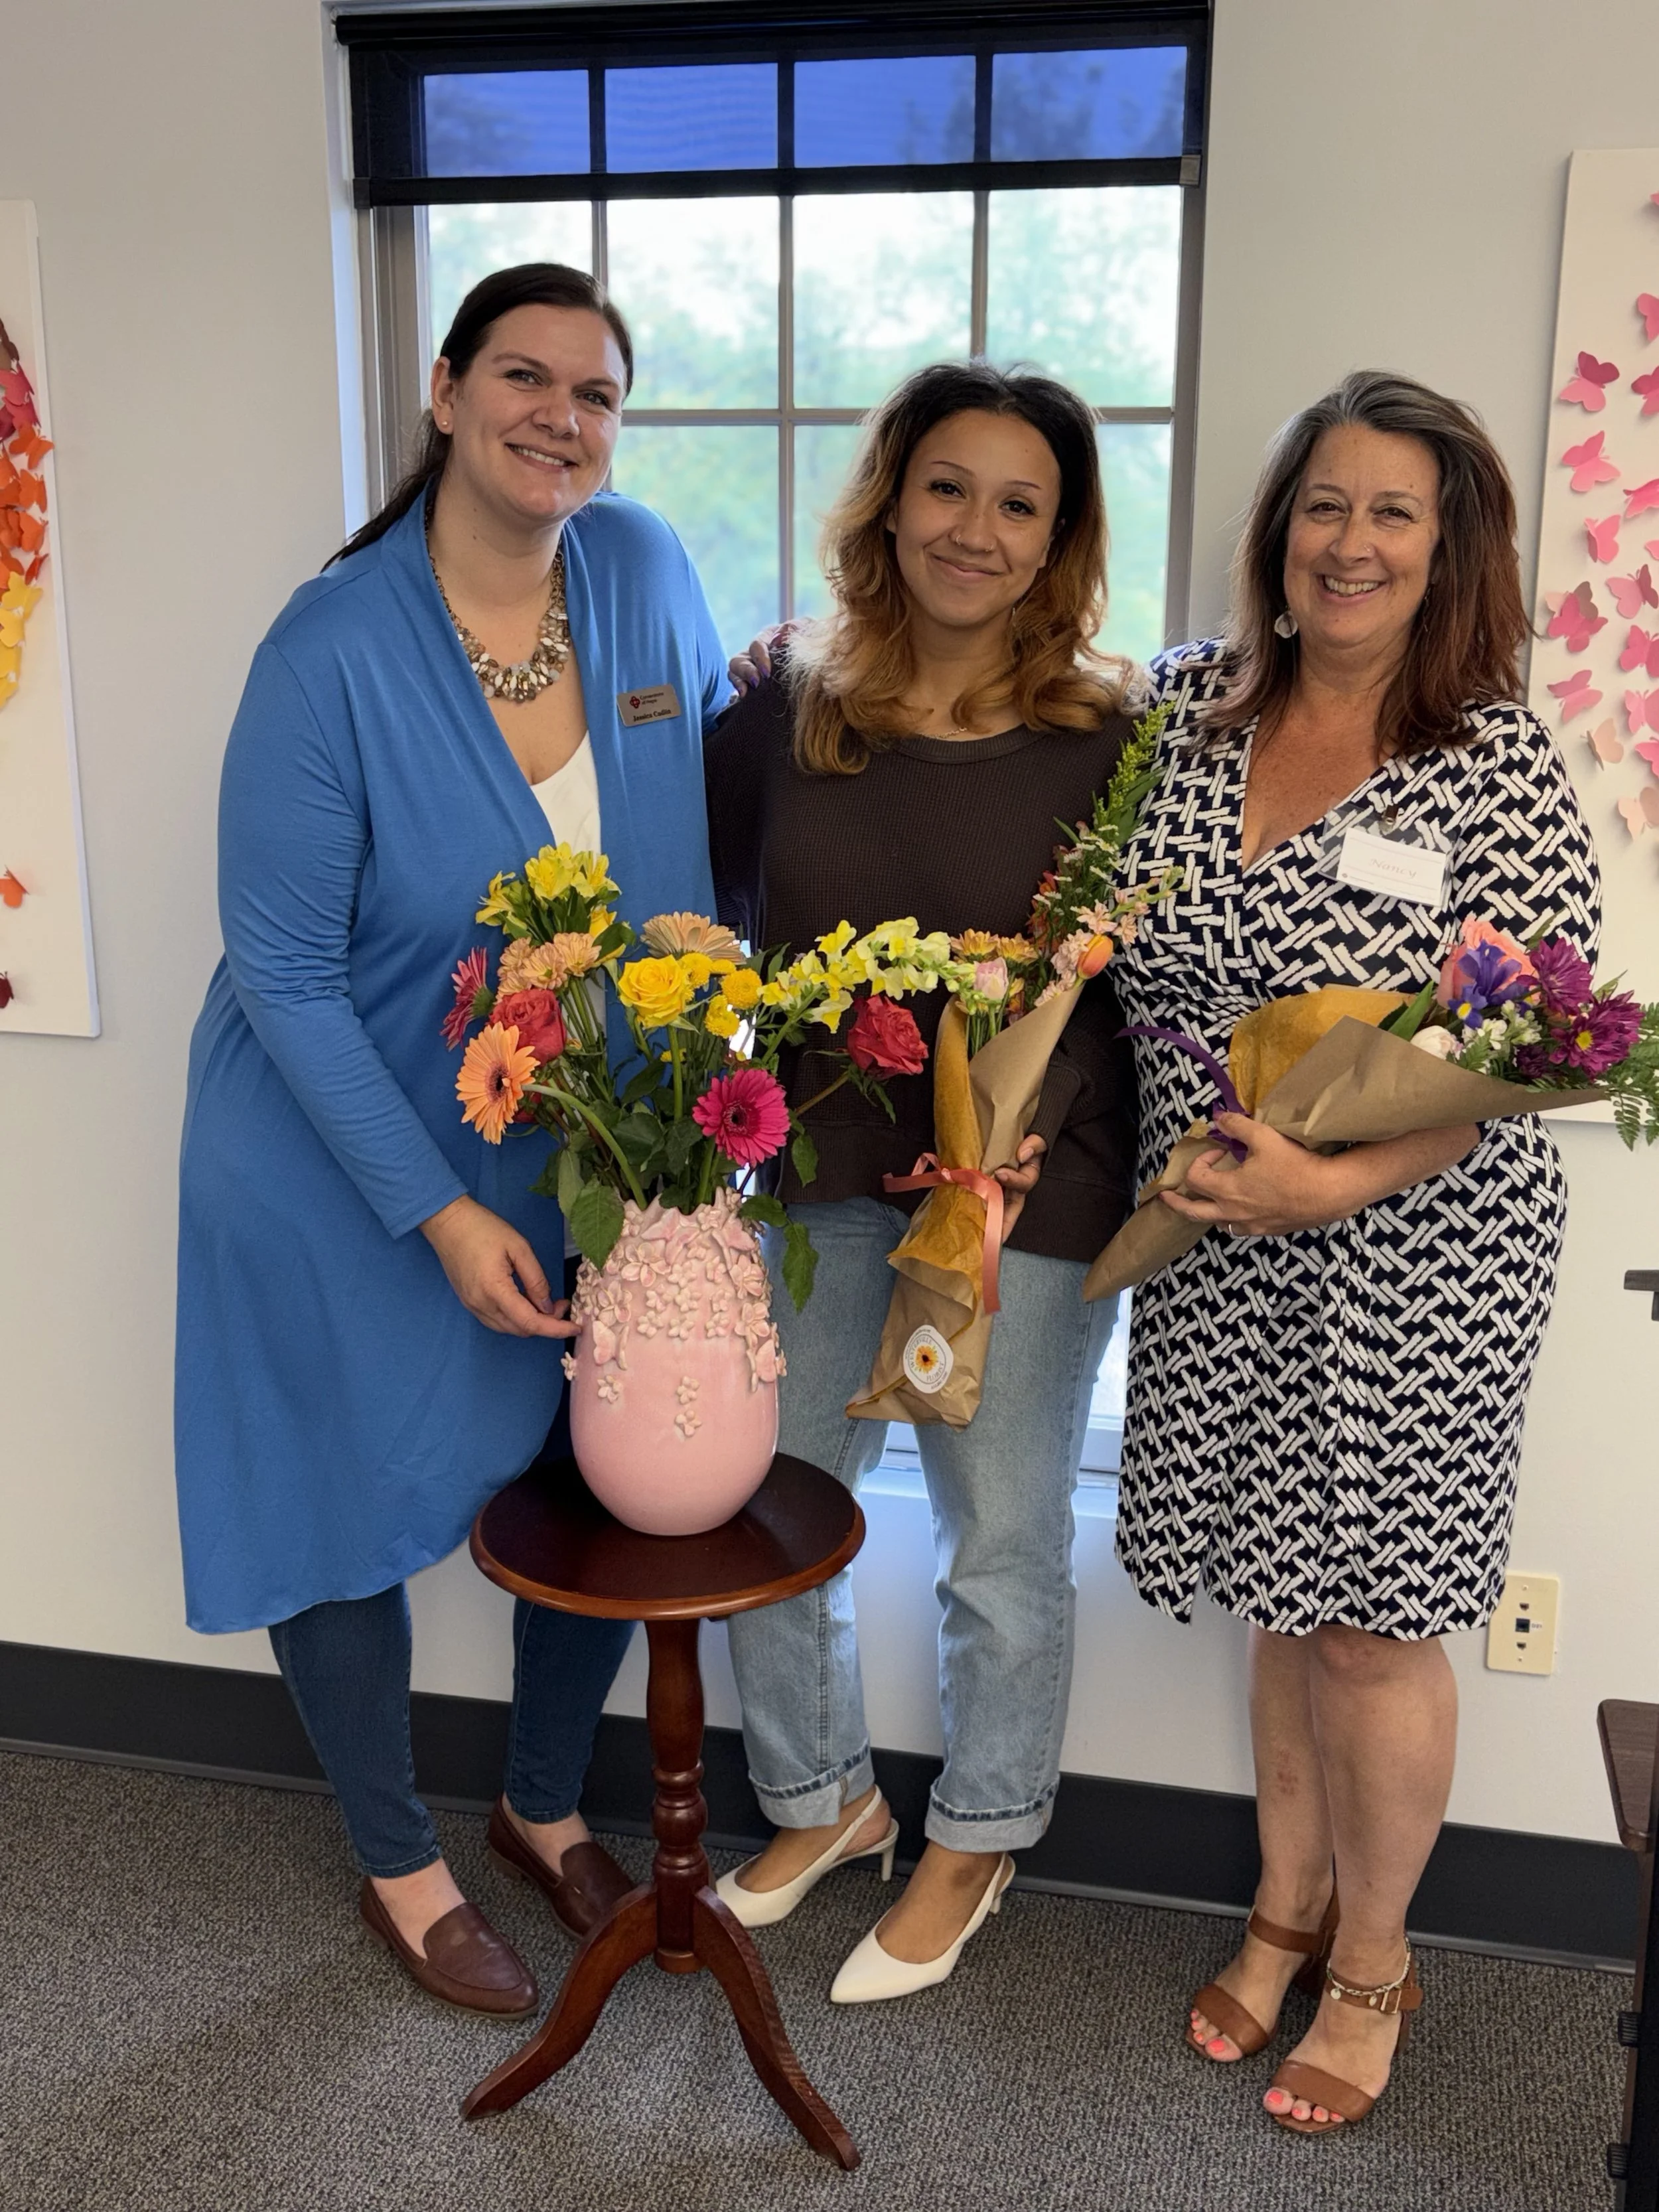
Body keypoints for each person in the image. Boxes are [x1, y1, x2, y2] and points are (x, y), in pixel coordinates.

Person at [175, 264, 730, 2013]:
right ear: (443, 388)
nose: (560, 415)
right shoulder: (330, 644)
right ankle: (400, 1861)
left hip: (559, 1138)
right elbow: (277, 965)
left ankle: (541, 1796)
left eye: (596, 390)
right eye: (523, 374)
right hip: (334, 1145)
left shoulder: (637, 568)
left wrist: (686, 1138)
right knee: (336, 1498)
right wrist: (426, 1209)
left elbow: (698, 841)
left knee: (593, 1468)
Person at [1108, 370, 1599, 2132]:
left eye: (1395, 511)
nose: (1352, 540)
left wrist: (1338, 1180)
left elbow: (1528, 1051)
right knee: (1273, 1580)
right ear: (1277, 525)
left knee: (1371, 1620)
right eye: (1325, 502)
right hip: (1215, 1228)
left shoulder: (1494, 762)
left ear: (1447, 543)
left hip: (1417, 1248)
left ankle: (1374, 1956)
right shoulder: (1179, 711)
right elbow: (1116, 945)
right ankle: (1283, 1899)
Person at [707, 360, 1138, 2003]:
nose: (975, 528)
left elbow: (1124, 979)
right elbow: (719, 927)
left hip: (1029, 1182)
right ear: (889, 496)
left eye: (1017, 503)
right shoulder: (781, 709)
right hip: (817, 1162)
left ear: (1054, 543)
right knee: (773, 1491)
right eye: (946, 485)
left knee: (998, 1530)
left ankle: (980, 1828)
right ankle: (820, 1805)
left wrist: (1038, 1133)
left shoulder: (1112, 737)